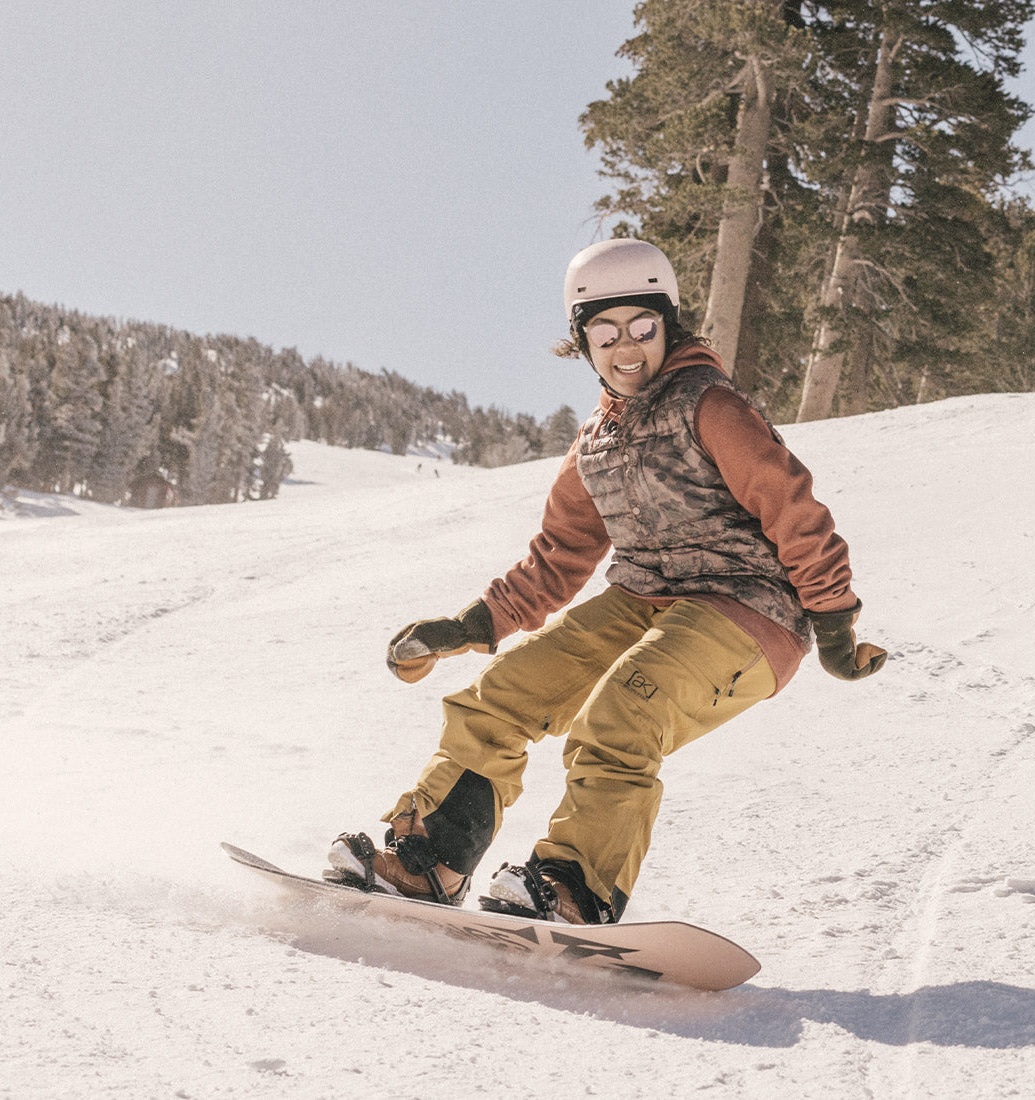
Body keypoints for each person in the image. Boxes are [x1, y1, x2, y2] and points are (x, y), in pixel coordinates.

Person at [327, 238, 886, 924]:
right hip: (642, 601)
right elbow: (559, 556)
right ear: (582, 342)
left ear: (667, 326)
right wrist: (472, 626)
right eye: (605, 331)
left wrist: (833, 622)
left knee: (621, 716)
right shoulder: (595, 442)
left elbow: (791, 505)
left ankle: (574, 888)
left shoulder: (709, 405)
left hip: (747, 610)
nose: (627, 348)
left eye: (643, 327)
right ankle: (430, 864)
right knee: (497, 699)